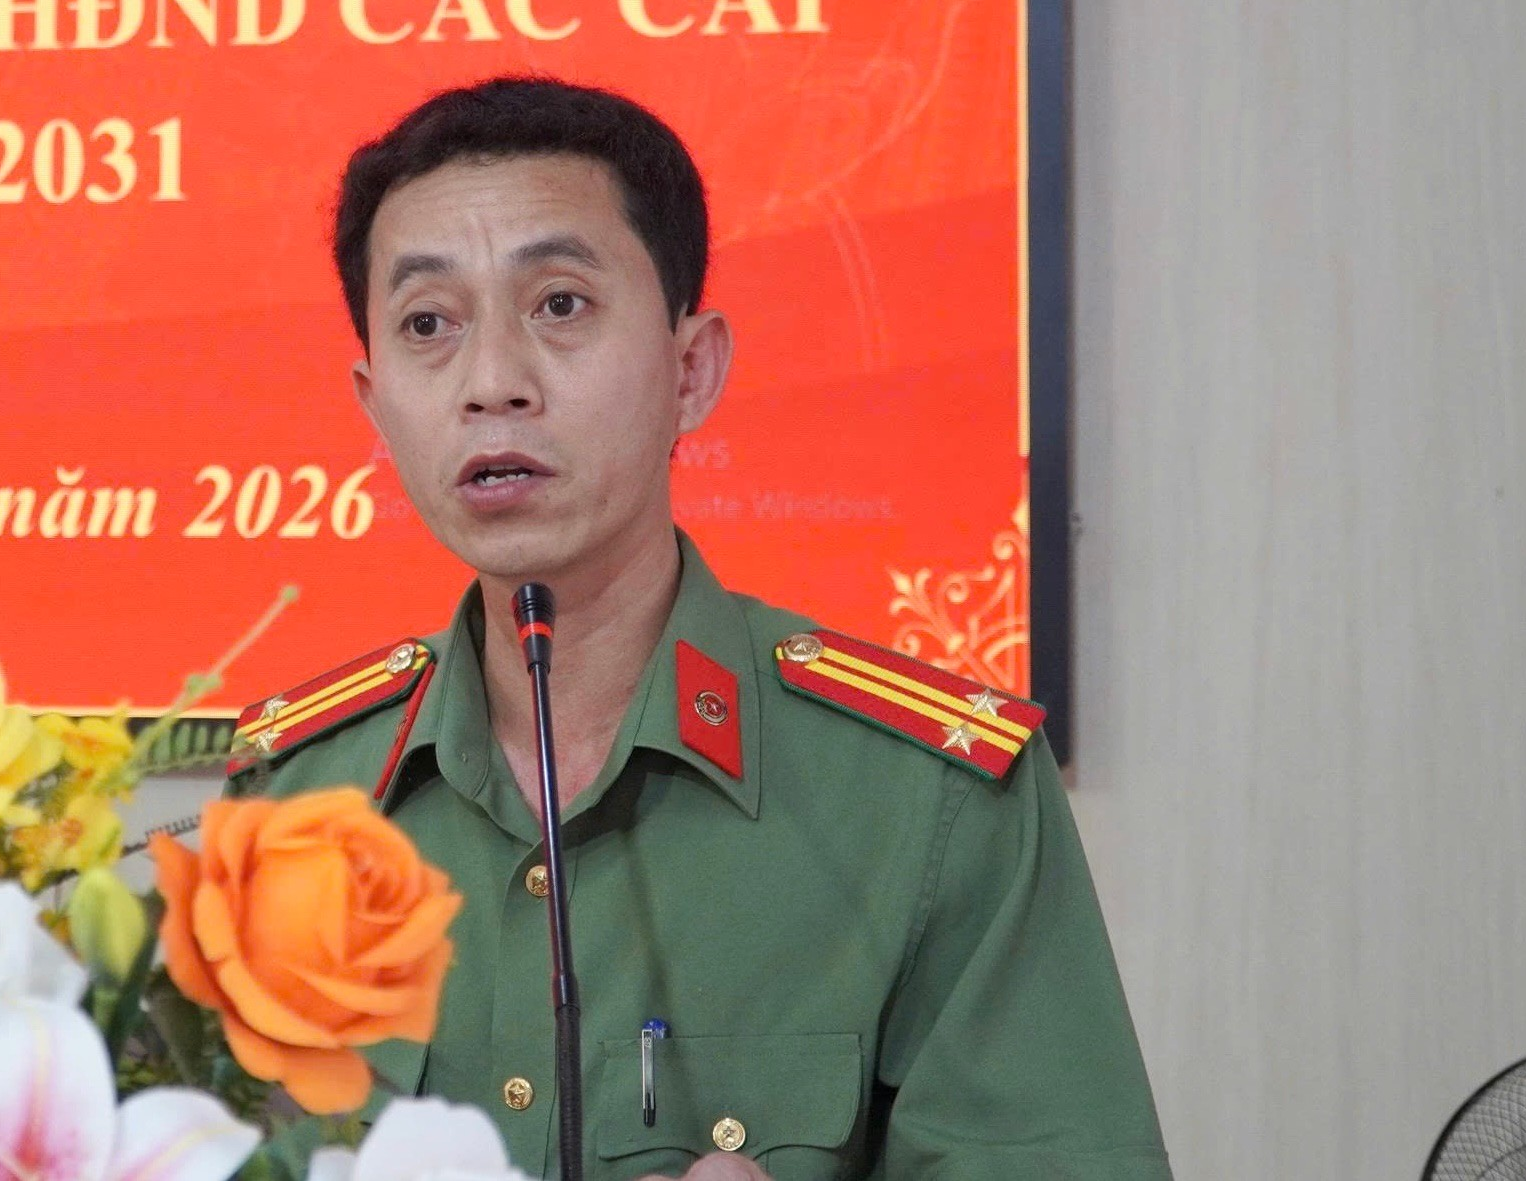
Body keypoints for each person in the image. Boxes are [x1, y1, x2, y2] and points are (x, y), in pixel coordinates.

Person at [227, 78, 1170, 1180]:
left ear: (691, 370)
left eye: (560, 304)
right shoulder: (288, 801)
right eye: (427, 324)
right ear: (373, 403)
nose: (491, 383)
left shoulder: (933, 804)